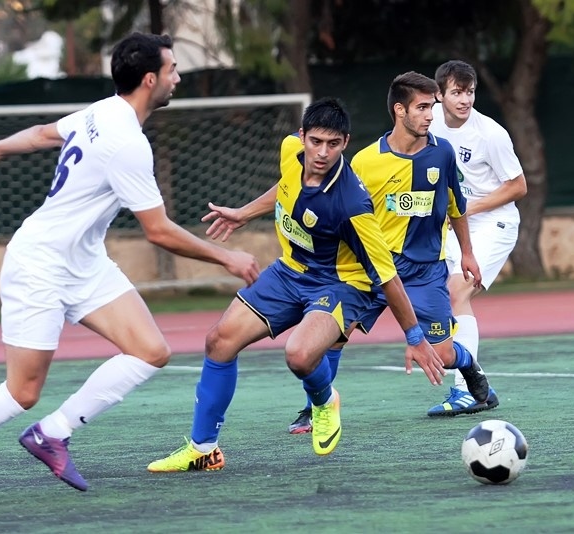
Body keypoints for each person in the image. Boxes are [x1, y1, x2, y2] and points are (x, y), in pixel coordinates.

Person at [0, 32, 260, 506]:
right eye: (172, 69)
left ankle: (55, 433)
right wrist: (228, 257)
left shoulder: (105, 111)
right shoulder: (127, 141)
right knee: (22, 391)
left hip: (83, 261)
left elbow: (48, 132)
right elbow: (159, 231)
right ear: (150, 80)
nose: (178, 77)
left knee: (150, 350)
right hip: (40, 265)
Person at [146, 97, 447, 472]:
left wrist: (415, 336)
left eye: (333, 144)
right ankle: (203, 449)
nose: (322, 153)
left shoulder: (352, 204)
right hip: (290, 271)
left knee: (300, 354)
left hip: (341, 284)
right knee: (219, 341)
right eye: (316, 141)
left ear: (345, 143)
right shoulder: (292, 151)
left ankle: (324, 399)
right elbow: (287, 184)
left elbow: (387, 275)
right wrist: (243, 213)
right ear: (301, 136)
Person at [285, 71, 490, 433]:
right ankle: (312, 407)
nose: (431, 115)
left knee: (442, 355)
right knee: (333, 333)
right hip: (371, 270)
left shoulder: (442, 152)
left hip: (424, 272)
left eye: (433, 107)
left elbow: (456, 206)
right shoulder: (364, 162)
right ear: (400, 110)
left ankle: (469, 364)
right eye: (423, 107)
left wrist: (468, 253)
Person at [426, 60, 527, 416]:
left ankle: (466, 389)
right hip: (456, 224)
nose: (465, 99)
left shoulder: (491, 134)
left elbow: (518, 186)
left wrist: (470, 208)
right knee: (441, 295)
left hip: (494, 224)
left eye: (470, 92)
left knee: (457, 292)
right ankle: (476, 384)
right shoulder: (430, 121)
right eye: (457, 92)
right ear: (440, 95)